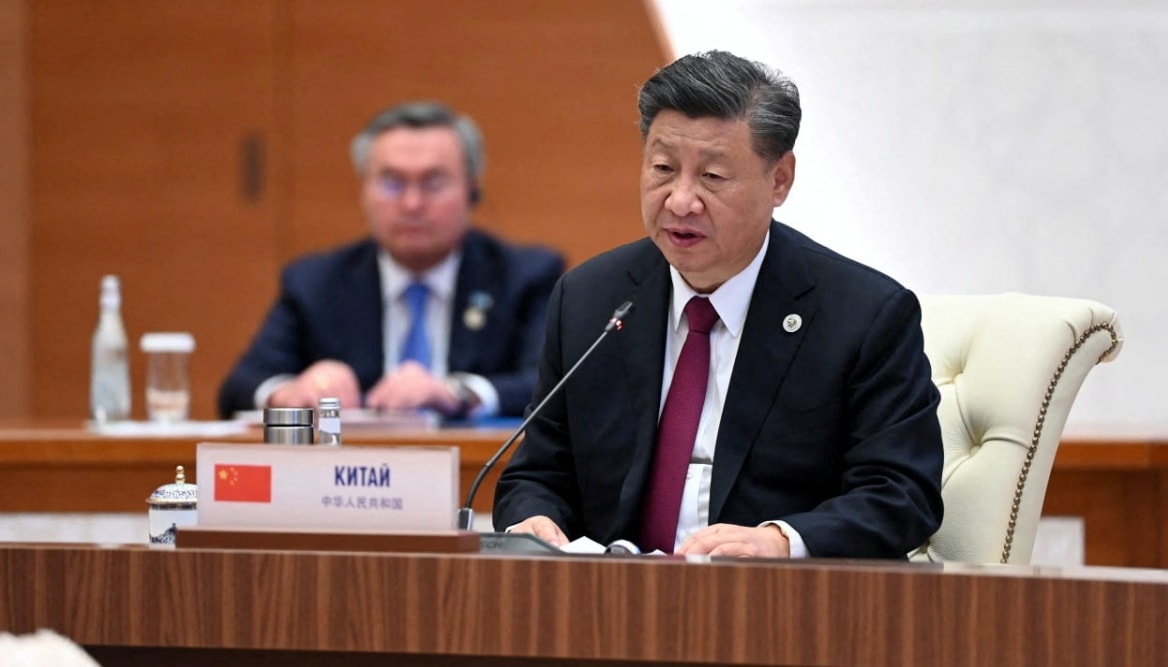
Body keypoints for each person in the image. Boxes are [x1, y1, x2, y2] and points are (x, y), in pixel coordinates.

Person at [493, 51, 944, 559]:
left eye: (712, 177)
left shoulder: (863, 315)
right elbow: (538, 471)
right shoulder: (591, 299)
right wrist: (534, 519)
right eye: (663, 168)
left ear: (779, 181)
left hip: (778, 612)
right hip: (610, 609)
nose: (680, 200)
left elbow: (901, 495)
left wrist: (780, 541)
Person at [218, 101, 565, 419]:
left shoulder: (525, 277)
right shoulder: (315, 282)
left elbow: (552, 388)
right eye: (392, 183)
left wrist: (456, 393)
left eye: (433, 182)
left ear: (472, 190)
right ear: (363, 190)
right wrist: (289, 392)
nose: (412, 204)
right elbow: (240, 387)